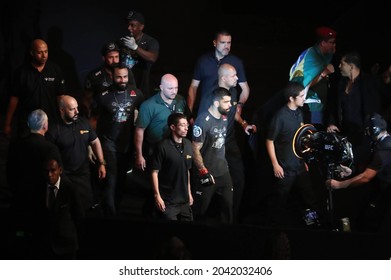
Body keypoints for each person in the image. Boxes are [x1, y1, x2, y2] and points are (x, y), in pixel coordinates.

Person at [265, 81, 322, 227]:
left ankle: (314, 223)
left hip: (299, 166)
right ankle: (274, 227)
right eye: (301, 96)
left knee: (309, 196)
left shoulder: (299, 112)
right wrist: (275, 165)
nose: (304, 98)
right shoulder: (280, 117)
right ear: (291, 98)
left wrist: (304, 161)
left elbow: (300, 139)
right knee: (279, 200)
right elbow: (269, 141)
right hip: (285, 168)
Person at [133, 73, 189, 217]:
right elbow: (140, 130)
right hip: (155, 148)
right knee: (154, 182)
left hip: (175, 148)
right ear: (161, 88)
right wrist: (139, 154)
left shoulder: (180, 100)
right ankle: (150, 214)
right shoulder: (149, 105)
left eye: (176, 88)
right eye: (170, 88)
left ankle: (169, 210)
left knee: (172, 181)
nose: (174, 91)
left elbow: (187, 119)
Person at [326, 113, 391, 232]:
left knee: (374, 220)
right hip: (378, 186)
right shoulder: (379, 143)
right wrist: (351, 171)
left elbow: (366, 177)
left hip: (385, 192)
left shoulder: (384, 151)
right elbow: (370, 165)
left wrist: (340, 185)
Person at [93, 64, 143, 216]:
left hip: (126, 144)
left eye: (125, 77)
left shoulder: (136, 93)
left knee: (121, 180)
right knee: (111, 180)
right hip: (108, 143)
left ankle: (116, 210)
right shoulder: (103, 96)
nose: (123, 80)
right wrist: (91, 143)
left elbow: (143, 113)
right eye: (119, 77)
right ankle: (110, 215)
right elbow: (93, 120)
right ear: (112, 77)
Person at [46, 95, 106, 215]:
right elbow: (48, 155)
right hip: (64, 175)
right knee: (64, 209)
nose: (77, 111)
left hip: (83, 174)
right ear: (62, 110)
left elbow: (95, 141)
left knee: (85, 207)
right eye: (72, 109)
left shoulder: (84, 123)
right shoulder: (54, 129)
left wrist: (101, 163)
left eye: (77, 108)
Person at [326, 51, 382, 173]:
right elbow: (333, 106)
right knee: (343, 167)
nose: (339, 66)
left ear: (351, 66)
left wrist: (371, 129)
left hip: (362, 135)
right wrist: (331, 123)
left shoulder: (368, 83)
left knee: (359, 168)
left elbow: (375, 108)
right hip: (344, 132)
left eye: (342, 64)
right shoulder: (341, 83)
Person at [216, 63, 256, 222]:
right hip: (216, 144)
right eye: (234, 76)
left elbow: (233, 112)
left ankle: (232, 219)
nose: (238, 78)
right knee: (216, 182)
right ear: (224, 78)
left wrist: (244, 124)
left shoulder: (233, 91)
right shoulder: (213, 95)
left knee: (239, 178)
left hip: (231, 142)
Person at [6, 109, 61, 225]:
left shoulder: (15, 145)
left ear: (28, 124)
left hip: (19, 200)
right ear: (45, 126)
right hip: (41, 201)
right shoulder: (50, 149)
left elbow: (9, 172)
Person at [3, 38, 66, 139]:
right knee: (27, 152)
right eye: (40, 52)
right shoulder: (21, 72)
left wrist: (64, 119)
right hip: (27, 123)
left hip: (50, 122)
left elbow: (61, 97)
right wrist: (7, 124)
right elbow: (14, 98)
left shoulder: (55, 70)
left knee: (49, 151)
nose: (44, 55)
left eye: (46, 51)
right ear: (32, 53)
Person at [192, 87, 234, 224]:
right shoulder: (203, 121)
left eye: (230, 101)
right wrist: (203, 171)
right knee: (200, 210)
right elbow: (195, 148)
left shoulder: (224, 118)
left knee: (227, 209)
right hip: (207, 173)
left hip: (223, 172)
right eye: (226, 102)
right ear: (216, 103)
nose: (230, 105)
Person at [187, 29, 250, 119]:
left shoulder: (236, 62)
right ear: (215, 43)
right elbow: (193, 87)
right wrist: (190, 112)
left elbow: (245, 88)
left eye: (229, 43)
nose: (226, 46)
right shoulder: (203, 60)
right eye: (223, 42)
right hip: (205, 111)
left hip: (227, 114)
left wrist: (240, 104)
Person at [289, 26, 337, 125]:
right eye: (332, 43)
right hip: (306, 103)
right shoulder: (312, 56)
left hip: (318, 101)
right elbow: (303, 84)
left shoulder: (326, 53)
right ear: (323, 43)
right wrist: (325, 73)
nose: (334, 45)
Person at [150, 113, 193, 221]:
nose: (186, 128)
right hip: (168, 201)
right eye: (182, 125)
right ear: (173, 127)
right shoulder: (162, 146)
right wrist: (157, 196)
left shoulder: (188, 144)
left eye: (187, 125)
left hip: (184, 201)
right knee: (170, 234)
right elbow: (154, 172)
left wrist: (189, 193)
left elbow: (187, 171)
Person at [43, 158, 84, 259]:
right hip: (46, 245)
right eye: (47, 171)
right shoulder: (39, 188)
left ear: (60, 170)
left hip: (67, 246)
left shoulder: (70, 189)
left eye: (53, 170)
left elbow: (79, 215)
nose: (49, 174)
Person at [82, 42, 135, 120]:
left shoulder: (127, 72)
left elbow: (133, 92)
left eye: (117, 57)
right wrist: (89, 116)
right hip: (101, 116)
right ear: (104, 58)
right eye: (111, 57)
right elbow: (87, 98)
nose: (115, 60)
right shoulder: (94, 76)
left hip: (123, 115)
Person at [118, 10, 159, 99]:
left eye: (133, 25)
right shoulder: (123, 41)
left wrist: (135, 47)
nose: (129, 28)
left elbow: (152, 58)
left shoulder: (150, 42)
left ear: (141, 27)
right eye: (128, 25)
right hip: (126, 88)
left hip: (143, 88)